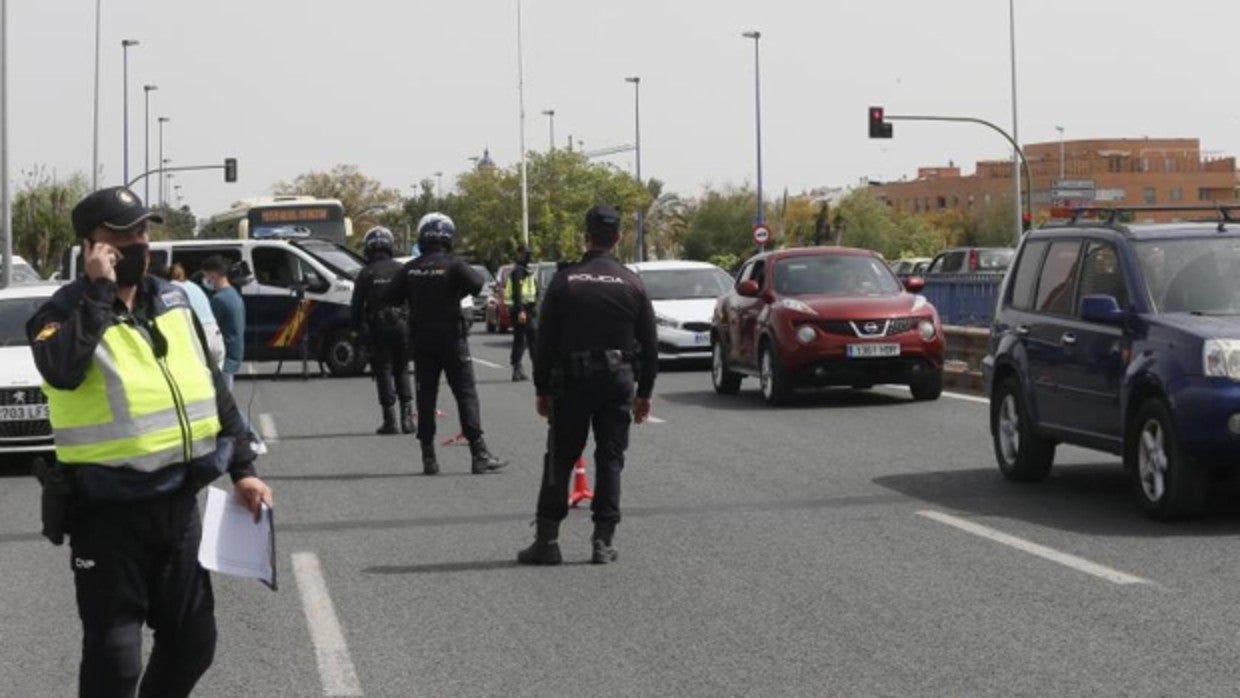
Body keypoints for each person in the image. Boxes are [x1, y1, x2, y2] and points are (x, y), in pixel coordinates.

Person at [27, 186, 273, 698]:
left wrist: (244, 468)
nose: (141, 242)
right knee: (114, 664)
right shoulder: (60, 312)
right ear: (93, 246)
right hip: (107, 514)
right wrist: (98, 292)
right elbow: (61, 370)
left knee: (192, 644)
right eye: (124, 234)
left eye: (143, 231)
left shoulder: (175, 299)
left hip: (179, 508)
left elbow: (211, 389)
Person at [517, 205, 657, 566]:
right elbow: (650, 344)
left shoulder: (566, 281)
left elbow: (544, 342)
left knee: (560, 459)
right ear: (619, 237)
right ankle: (602, 541)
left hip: (573, 382)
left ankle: (547, 542)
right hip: (618, 380)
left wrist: (541, 388)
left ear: (586, 236)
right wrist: (644, 394)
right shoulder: (632, 282)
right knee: (610, 458)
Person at [386, 213, 508, 475]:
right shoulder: (454, 264)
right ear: (448, 237)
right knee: (465, 393)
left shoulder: (411, 268)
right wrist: (453, 290)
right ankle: (478, 453)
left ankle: (428, 457)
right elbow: (478, 285)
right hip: (452, 337)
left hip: (422, 339)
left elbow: (389, 296)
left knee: (426, 397)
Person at [351, 226, 414, 435]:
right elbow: (412, 300)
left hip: (378, 327)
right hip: (402, 325)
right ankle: (408, 418)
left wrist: (358, 334)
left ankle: (390, 420)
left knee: (383, 369)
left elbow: (356, 308)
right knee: (402, 369)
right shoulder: (401, 269)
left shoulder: (365, 273)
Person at [201, 255, 267, 454]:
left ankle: (253, 437)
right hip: (235, 352)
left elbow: (210, 328)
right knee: (223, 402)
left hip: (226, 356)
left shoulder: (219, 300)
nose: (206, 280)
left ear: (213, 275)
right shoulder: (234, 295)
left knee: (226, 404)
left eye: (206, 276)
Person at [507, 244, 537, 381]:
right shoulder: (518, 271)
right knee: (521, 340)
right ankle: (517, 369)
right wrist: (520, 311)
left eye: (528, 253)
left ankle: (531, 368)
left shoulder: (526, 270)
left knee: (532, 339)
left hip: (529, 309)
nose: (528, 256)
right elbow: (517, 293)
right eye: (525, 254)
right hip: (521, 309)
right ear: (518, 254)